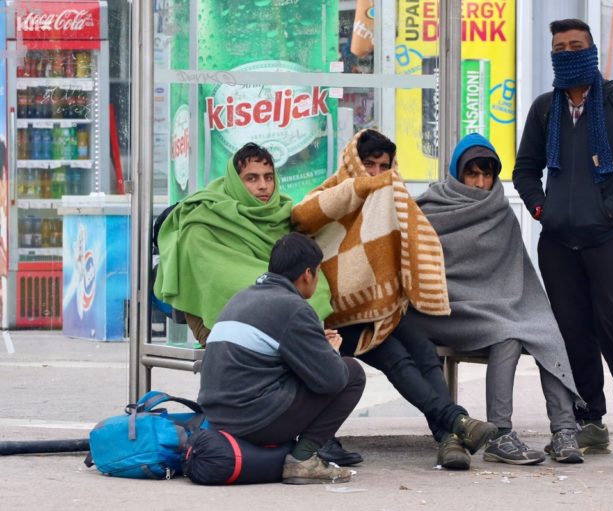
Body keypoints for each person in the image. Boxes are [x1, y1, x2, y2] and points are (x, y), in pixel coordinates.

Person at [292, 129, 498, 470]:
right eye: (369, 165)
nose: (376, 174)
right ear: (352, 163)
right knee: (397, 358)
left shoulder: (395, 200)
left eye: (383, 166)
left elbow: (414, 246)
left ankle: (450, 438)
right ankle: (456, 422)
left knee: (423, 352)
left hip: (380, 311)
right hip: (339, 319)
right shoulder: (330, 192)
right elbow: (302, 216)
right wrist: (363, 188)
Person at [513, 19, 613, 461]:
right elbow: (524, 170)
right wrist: (544, 209)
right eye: (559, 47)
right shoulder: (546, 109)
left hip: (612, 240)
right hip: (559, 244)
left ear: (592, 49)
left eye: (575, 45)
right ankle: (589, 423)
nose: (567, 52)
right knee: (572, 337)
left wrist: (611, 210)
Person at [405, 133, 585, 465]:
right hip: (443, 311)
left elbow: (516, 274)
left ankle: (562, 431)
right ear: (458, 173)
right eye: (473, 173)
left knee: (537, 330)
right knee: (508, 329)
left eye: (487, 174)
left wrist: (511, 306)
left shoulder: (501, 213)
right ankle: (501, 433)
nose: (480, 182)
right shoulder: (429, 209)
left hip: (493, 308)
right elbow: (416, 272)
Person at [196, 232, 366, 485]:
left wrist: (312, 341)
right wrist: (330, 351)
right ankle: (303, 459)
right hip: (251, 421)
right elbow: (331, 380)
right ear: (308, 274)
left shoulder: (242, 297)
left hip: (217, 417)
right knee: (351, 372)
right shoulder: (293, 307)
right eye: (318, 273)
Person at [153, 142, 332, 346]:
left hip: (286, 327)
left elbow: (312, 275)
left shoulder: (283, 216)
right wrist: (291, 294)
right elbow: (225, 284)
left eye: (269, 177)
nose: (263, 185)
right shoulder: (203, 220)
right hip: (222, 330)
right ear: (235, 182)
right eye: (252, 178)